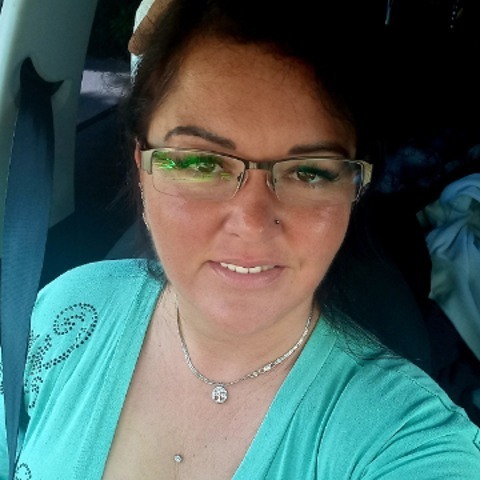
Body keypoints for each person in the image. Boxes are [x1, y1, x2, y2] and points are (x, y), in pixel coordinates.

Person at [1, 0, 480, 478]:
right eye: (200, 163)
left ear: (355, 192)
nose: (251, 223)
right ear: (141, 169)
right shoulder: (64, 311)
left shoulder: (402, 437)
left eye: (309, 172)